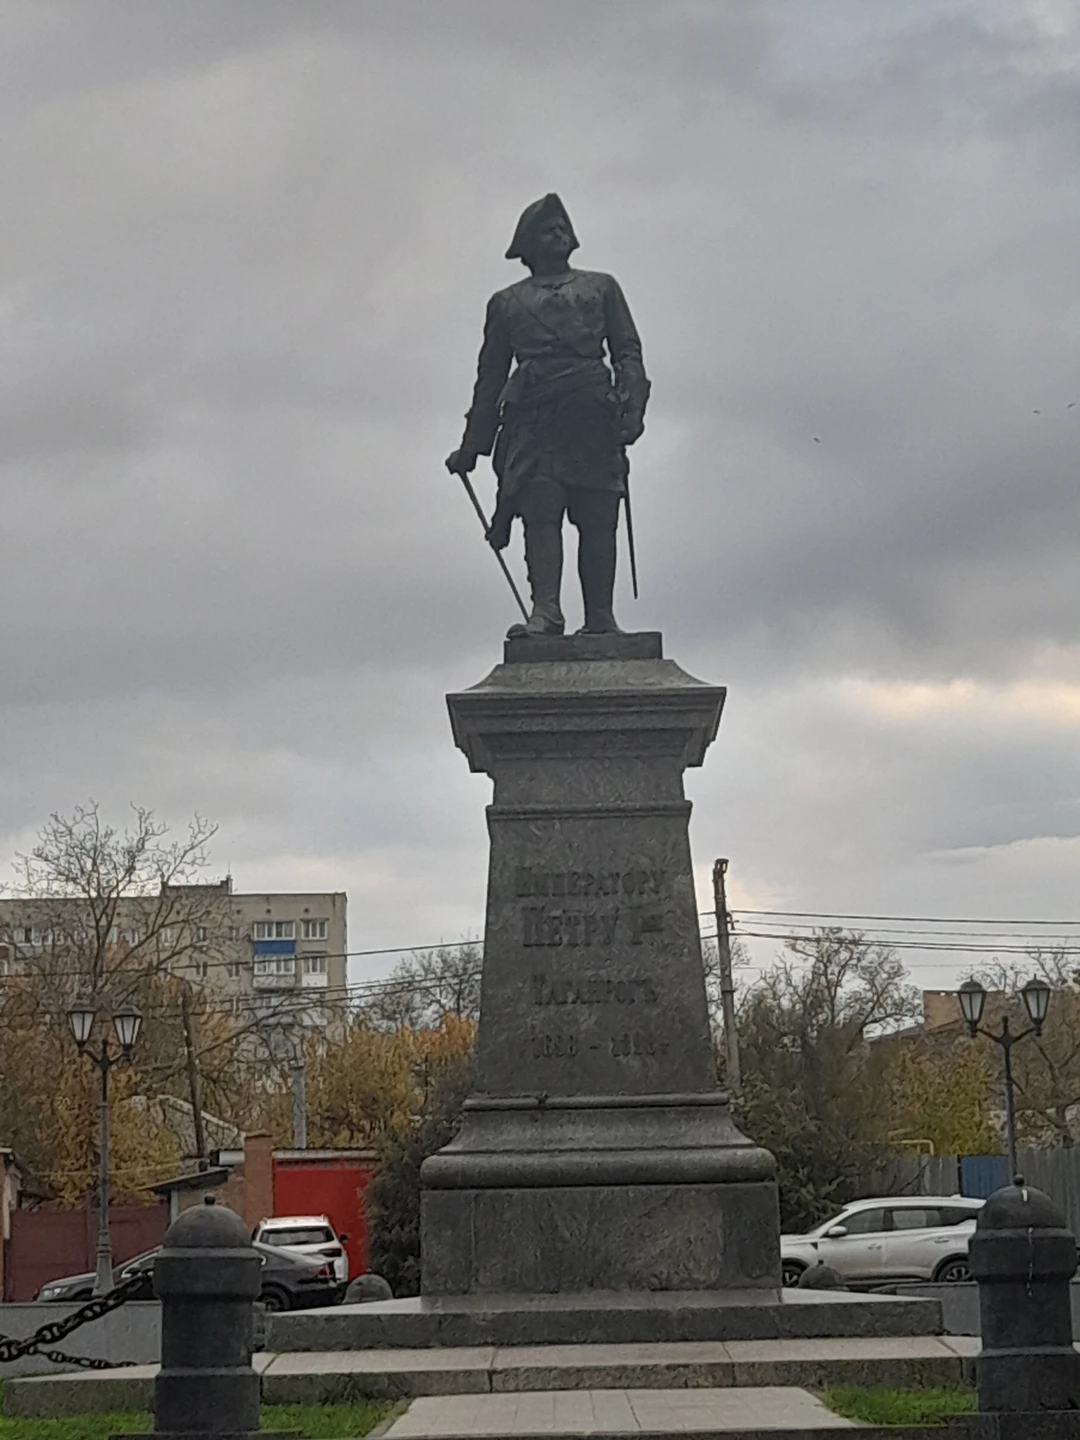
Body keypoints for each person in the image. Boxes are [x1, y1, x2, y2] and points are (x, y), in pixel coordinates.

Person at [446, 194, 650, 638]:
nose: (557, 234)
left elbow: (627, 351)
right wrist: (472, 447)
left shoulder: (602, 287)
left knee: (598, 515)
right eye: (546, 229)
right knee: (541, 511)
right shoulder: (506, 303)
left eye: (562, 227)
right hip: (535, 420)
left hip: (592, 413)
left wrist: (632, 406)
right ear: (527, 244)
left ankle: (601, 617)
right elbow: (490, 377)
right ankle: (547, 611)